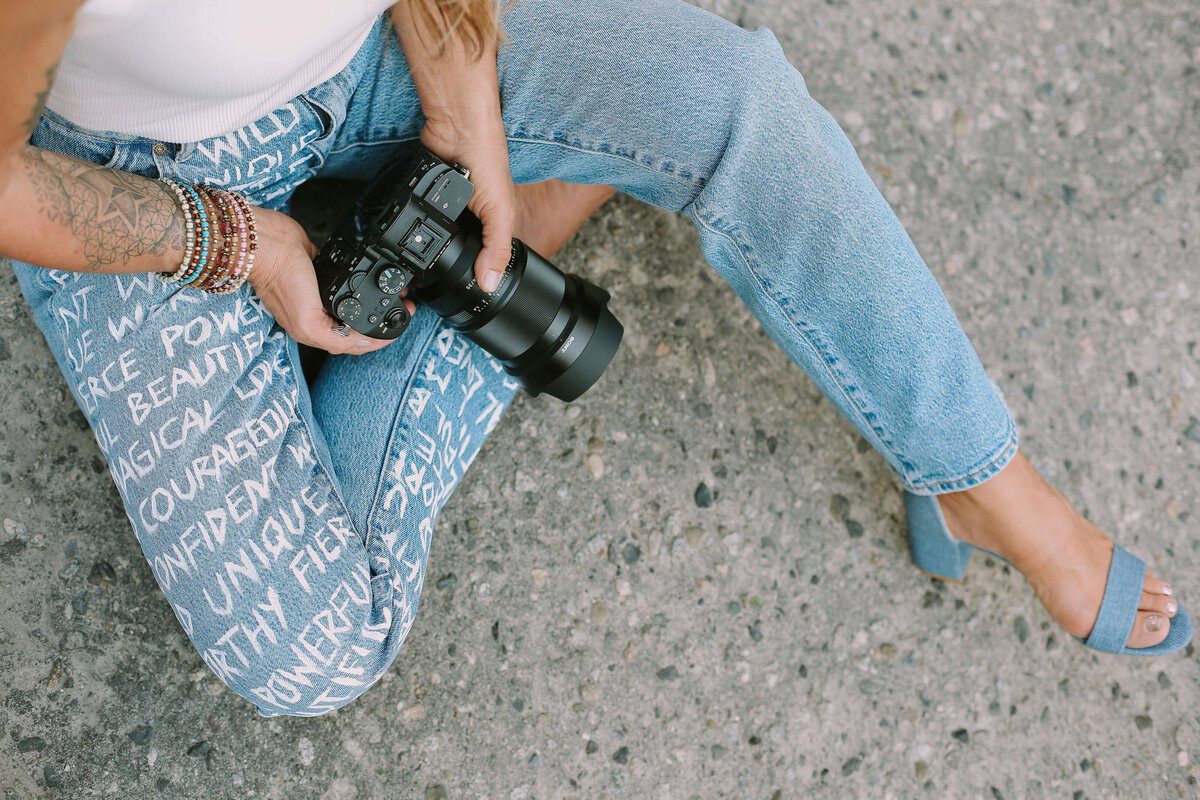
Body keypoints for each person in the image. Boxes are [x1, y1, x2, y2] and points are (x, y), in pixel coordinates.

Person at [0, 0, 1187, 718]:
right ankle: (495, 269)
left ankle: (981, 483)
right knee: (312, 645)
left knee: (734, 98)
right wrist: (246, 249)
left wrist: (466, 109)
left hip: (378, 48)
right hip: (140, 170)